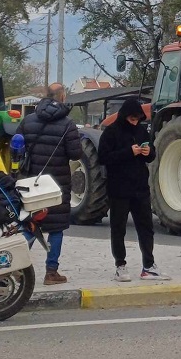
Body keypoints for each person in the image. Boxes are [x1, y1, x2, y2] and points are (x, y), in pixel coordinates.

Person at [18, 83, 82, 285]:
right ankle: (51, 272)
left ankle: (16, 269)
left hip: (31, 181)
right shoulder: (68, 124)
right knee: (56, 228)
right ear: (62, 97)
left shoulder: (28, 121)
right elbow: (75, 154)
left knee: (29, 225)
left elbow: (17, 147)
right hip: (57, 183)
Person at [97, 98, 168, 282]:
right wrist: (129, 152)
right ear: (124, 116)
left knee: (146, 228)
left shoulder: (141, 130)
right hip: (119, 188)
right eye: (132, 119)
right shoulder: (111, 132)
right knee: (118, 228)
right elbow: (103, 157)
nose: (135, 122)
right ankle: (120, 265)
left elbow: (151, 155)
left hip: (140, 188)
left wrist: (148, 153)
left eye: (137, 119)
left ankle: (149, 265)